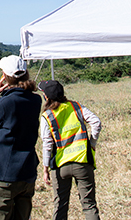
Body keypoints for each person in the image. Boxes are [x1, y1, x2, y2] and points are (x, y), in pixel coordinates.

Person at [0, 55, 43, 220]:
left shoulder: (8, 102)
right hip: (27, 171)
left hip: (4, 174)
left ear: (5, 77)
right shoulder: (35, 100)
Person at [38, 80, 102, 220]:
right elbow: (96, 122)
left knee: (60, 205)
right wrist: (92, 144)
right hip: (83, 162)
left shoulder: (47, 116)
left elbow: (47, 144)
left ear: (47, 97)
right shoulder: (76, 107)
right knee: (89, 205)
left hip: (60, 166)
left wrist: (45, 168)